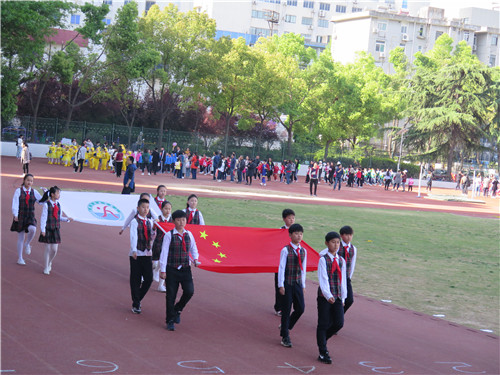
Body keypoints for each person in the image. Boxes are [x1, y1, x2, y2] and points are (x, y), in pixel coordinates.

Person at [159, 210, 201, 331]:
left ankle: (178, 309)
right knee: (170, 295)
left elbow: (193, 249)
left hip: (185, 269)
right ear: (174, 221)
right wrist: (163, 270)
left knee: (189, 291)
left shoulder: (189, 234)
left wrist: (196, 259)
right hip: (172, 269)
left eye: (183, 220)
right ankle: (170, 320)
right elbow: (164, 253)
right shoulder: (169, 235)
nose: (181, 222)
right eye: (178, 220)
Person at [316, 231, 347, 364]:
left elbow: (343, 280)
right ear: (326, 244)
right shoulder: (323, 259)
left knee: (339, 323)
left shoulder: (341, 260)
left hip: (338, 295)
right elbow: (323, 279)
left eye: (338, 242)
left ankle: (322, 339)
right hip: (325, 296)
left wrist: (343, 297)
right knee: (323, 323)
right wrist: (328, 295)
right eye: (333, 242)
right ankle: (323, 351)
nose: (336, 245)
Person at [278, 224, 307, 348]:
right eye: (296, 233)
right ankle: (285, 336)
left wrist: (303, 284)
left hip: (298, 283)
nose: (299, 236)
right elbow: (281, 267)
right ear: (290, 235)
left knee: (300, 308)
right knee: (286, 309)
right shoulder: (285, 250)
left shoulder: (303, 251)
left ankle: (287, 325)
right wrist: (281, 284)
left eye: (300, 233)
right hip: (287, 283)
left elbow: (303, 269)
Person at [38, 186, 72, 275]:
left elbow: (59, 217)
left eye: (59, 193)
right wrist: (43, 229)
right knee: (48, 248)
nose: (59, 195)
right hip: (48, 229)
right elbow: (43, 218)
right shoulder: (46, 204)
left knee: (54, 250)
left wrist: (67, 219)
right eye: (57, 193)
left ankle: (49, 262)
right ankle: (45, 267)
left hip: (56, 229)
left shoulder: (59, 205)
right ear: (52, 194)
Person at [129, 198, 154, 314]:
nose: (145, 210)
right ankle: (136, 303)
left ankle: (137, 298)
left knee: (149, 278)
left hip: (147, 253)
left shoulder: (150, 222)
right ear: (138, 208)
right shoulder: (135, 221)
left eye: (147, 208)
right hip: (137, 254)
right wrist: (134, 250)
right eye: (143, 207)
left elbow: (152, 236)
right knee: (136, 279)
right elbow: (133, 236)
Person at [11, 174, 43, 265]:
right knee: (21, 237)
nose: (29, 182)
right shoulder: (18, 191)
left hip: (30, 216)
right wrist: (15, 214)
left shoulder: (34, 192)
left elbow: (41, 202)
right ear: (24, 180)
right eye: (28, 180)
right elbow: (15, 203)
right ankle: (20, 258)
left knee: (33, 229)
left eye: (31, 181)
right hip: (20, 215)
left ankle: (27, 243)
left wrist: (46, 194)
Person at [274, 209, 296, 316]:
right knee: (279, 285)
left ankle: (286, 307)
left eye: (293, 218)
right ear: (284, 219)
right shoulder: (280, 230)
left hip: (292, 264)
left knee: (290, 286)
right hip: (280, 263)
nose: (291, 220)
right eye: (289, 218)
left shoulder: (296, 231)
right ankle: (278, 307)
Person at [152, 200, 173, 292]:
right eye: (166, 209)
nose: (168, 211)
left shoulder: (173, 220)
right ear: (161, 209)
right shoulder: (158, 219)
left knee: (164, 264)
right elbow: (152, 232)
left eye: (169, 209)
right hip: (159, 243)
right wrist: (154, 225)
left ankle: (161, 284)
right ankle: (156, 270)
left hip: (169, 245)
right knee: (161, 262)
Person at [336, 226, 356, 313]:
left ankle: (339, 315)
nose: (349, 237)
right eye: (347, 235)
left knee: (349, 300)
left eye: (351, 235)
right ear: (341, 236)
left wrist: (349, 277)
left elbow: (352, 264)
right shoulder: (337, 246)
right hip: (336, 277)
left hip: (346, 278)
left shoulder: (353, 249)